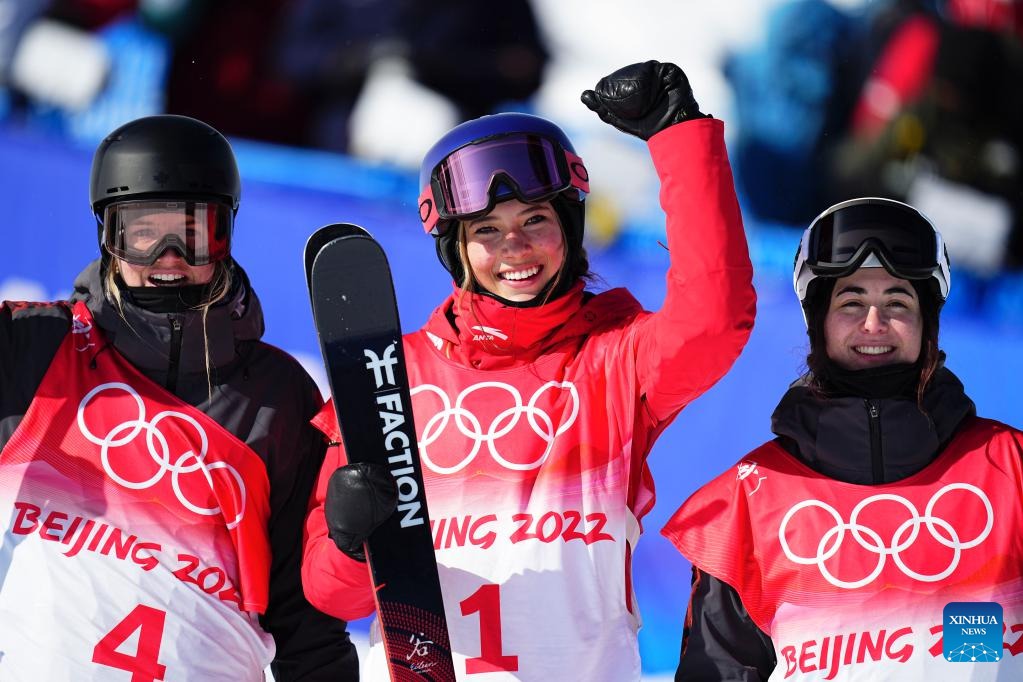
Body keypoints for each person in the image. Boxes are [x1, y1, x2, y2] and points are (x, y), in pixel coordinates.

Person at [301, 60, 757, 680]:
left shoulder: (614, 359)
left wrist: (680, 136)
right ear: (456, 251)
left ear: (569, 228)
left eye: (535, 221)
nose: (514, 248)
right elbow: (332, 594)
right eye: (487, 230)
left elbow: (715, 318)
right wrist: (352, 546)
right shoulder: (392, 376)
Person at [0, 114, 357, 680]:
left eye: (192, 231)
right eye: (143, 233)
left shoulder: (275, 396)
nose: (169, 255)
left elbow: (305, 622)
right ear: (108, 237)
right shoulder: (35, 348)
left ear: (224, 236)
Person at [663, 197, 1023, 680]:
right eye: (851, 302)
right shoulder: (745, 506)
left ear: (928, 324)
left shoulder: (1011, 471)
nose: (873, 324)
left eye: (897, 301)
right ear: (817, 322)